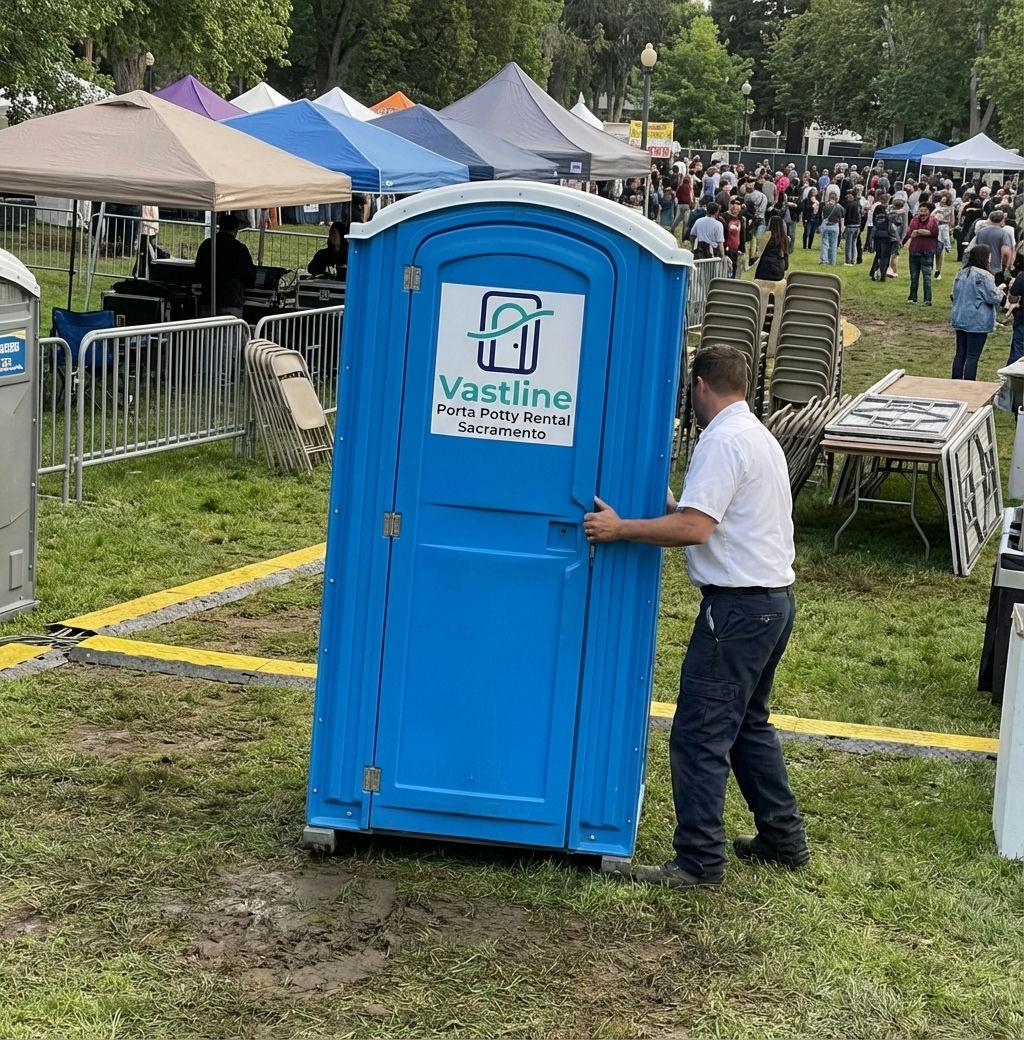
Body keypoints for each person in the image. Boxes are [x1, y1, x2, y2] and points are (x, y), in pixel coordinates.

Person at [583, 344, 808, 890]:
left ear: (700, 386)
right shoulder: (756, 436)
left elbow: (696, 529)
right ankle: (783, 838)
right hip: (772, 603)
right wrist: (667, 504)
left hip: (735, 610)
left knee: (699, 734)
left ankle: (699, 862)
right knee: (747, 723)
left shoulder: (720, 441)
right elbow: (711, 515)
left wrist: (620, 529)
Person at [950, 245, 1004, 380]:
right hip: (977, 320)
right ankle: (969, 384)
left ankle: (955, 381)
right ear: (984, 257)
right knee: (972, 356)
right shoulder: (985, 276)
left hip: (960, 317)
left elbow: (953, 294)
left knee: (960, 354)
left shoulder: (961, 273)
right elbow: (993, 297)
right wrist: (1001, 290)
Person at [194, 213, 255, 319]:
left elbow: (198, 271)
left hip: (208, 301)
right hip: (231, 302)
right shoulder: (240, 249)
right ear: (236, 229)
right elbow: (249, 277)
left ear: (220, 226)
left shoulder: (207, 245)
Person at [905, 202, 939, 305]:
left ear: (929, 212)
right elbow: (911, 232)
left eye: (925, 211)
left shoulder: (933, 221)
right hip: (914, 252)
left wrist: (919, 231)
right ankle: (912, 298)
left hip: (927, 252)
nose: (922, 213)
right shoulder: (914, 220)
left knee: (927, 277)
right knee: (914, 277)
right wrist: (921, 232)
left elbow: (932, 232)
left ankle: (927, 300)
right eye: (921, 210)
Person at [970, 209, 1015, 284]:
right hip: (996, 268)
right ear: (1002, 220)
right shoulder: (1004, 234)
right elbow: (1006, 252)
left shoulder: (981, 232)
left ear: (990, 219)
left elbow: (975, 247)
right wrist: (1007, 266)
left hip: (981, 266)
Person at [754, 216, 790, 282]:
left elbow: (760, 253)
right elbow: (786, 255)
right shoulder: (784, 238)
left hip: (765, 268)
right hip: (778, 269)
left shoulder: (767, 236)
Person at [868, 195, 893, 281]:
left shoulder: (877, 209)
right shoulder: (888, 210)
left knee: (878, 254)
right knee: (885, 256)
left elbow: (874, 220)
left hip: (877, 233)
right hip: (886, 235)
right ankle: (882, 274)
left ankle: (873, 271)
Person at [931, 192, 955, 280]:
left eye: (945, 200)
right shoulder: (935, 205)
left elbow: (952, 220)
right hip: (934, 228)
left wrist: (951, 228)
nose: (942, 201)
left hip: (943, 229)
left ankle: (938, 271)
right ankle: (932, 269)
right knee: (932, 249)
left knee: (940, 251)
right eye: (942, 199)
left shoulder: (950, 208)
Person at [1006, 253, 1024, 365]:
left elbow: (1012, 298)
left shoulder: (1022, 276)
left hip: (1022, 321)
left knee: (1018, 356)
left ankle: (1013, 380)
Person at [723, 198, 747, 278]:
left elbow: (742, 234)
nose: (735, 211)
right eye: (734, 208)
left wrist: (742, 249)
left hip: (736, 248)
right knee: (725, 269)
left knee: (734, 268)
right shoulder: (724, 217)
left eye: (737, 209)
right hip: (726, 247)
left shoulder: (741, 219)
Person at [818, 194, 844, 265]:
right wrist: (842, 227)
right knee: (833, 244)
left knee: (825, 244)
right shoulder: (839, 208)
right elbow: (841, 218)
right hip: (835, 226)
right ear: (836, 199)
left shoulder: (825, 207)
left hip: (826, 226)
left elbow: (822, 217)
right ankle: (832, 261)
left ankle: (824, 260)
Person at [887, 199, 909, 277]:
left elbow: (904, 226)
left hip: (895, 236)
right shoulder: (892, 212)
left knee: (894, 254)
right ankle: (892, 271)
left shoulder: (902, 213)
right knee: (894, 254)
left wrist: (902, 238)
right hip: (894, 235)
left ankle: (893, 271)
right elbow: (905, 226)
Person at [842, 189, 861, 266]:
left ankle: (848, 260)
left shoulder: (848, 205)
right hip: (857, 225)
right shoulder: (857, 204)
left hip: (850, 225)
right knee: (854, 243)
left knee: (848, 244)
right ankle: (854, 259)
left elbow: (846, 215)